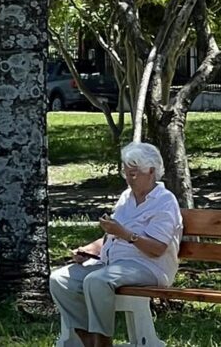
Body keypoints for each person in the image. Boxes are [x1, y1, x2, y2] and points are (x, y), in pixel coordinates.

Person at [49, 142, 183, 347]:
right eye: (126, 173)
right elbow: (111, 237)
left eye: (134, 174)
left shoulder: (164, 201)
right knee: (60, 279)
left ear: (152, 172)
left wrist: (126, 234)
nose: (129, 179)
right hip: (112, 264)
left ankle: (102, 341)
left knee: (96, 280)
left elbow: (157, 249)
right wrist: (89, 250)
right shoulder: (126, 198)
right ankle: (85, 338)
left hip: (149, 267)